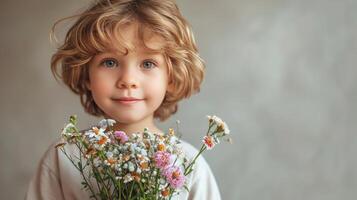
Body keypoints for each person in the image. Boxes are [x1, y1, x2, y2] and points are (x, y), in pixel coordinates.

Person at [25, 0, 221, 199]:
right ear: (86, 75)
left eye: (148, 63)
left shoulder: (188, 164)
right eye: (110, 62)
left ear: (171, 77)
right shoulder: (64, 158)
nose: (128, 80)